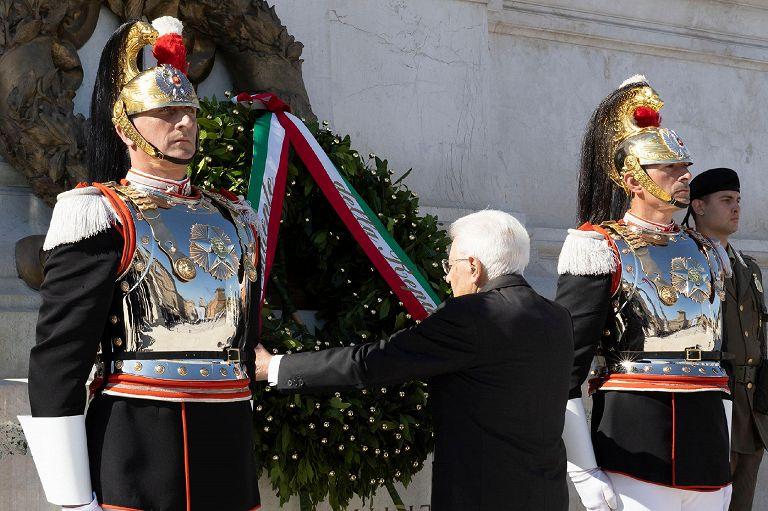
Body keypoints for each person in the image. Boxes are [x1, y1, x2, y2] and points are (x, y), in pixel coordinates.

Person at [19, 17, 261, 511]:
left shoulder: (234, 215)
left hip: (226, 447)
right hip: (138, 448)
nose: (185, 123)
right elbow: (58, 363)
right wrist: (71, 498)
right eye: (167, 112)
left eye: (190, 111)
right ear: (126, 127)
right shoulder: (99, 214)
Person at [252, 210, 574, 511]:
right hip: (548, 497)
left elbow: (372, 362)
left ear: (473, 268)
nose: (448, 277)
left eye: (451, 265)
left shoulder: (473, 316)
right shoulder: (558, 318)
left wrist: (275, 367)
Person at [555, 75, 733, 511]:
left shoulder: (708, 250)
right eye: (669, 167)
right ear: (633, 179)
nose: (685, 174)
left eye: (684, 164)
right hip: (635, 450)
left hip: (708, 449)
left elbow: (717, 363)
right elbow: (565, 367)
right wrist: (581, 466)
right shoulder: (598, 247)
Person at [686, 167, 768, 511]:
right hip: (712, 409)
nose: (735, 208)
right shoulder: (685, 262)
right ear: (699, 206)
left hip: (752, 415)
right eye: (725, 200)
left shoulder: (748, 267)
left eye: (737, 201)